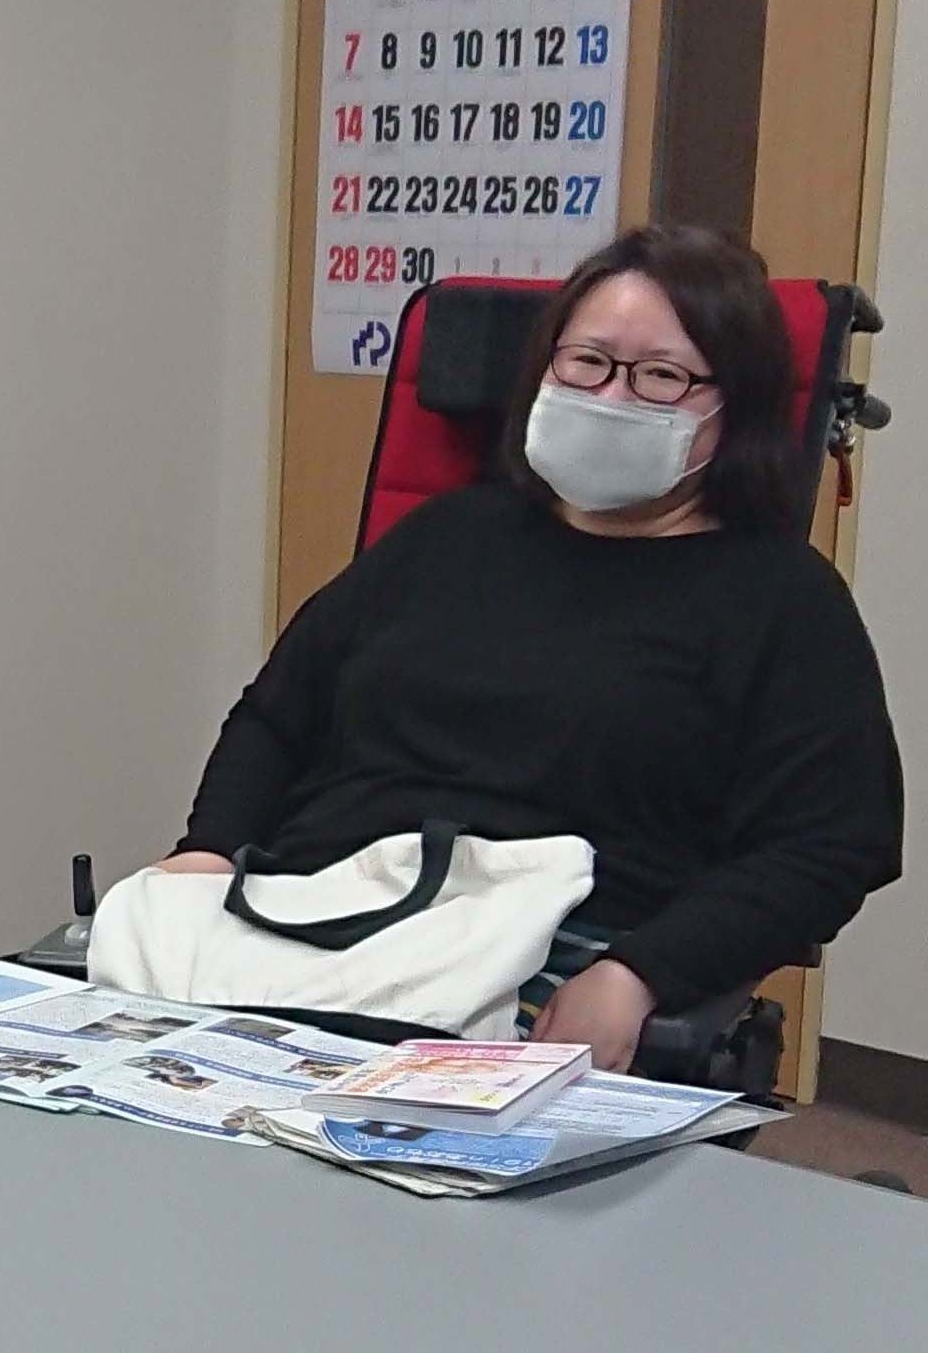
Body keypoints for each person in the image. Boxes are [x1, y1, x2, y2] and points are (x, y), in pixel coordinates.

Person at [163, 225, 901, 1072]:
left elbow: (831, 844)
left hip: (544, 966)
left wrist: (640, 973)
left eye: (660, 375)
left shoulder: (783, 599)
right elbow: (276, 717)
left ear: (735, 407)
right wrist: (207, 853)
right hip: (307, 918)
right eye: (586, 361)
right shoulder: (444, 536)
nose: (612, 395)